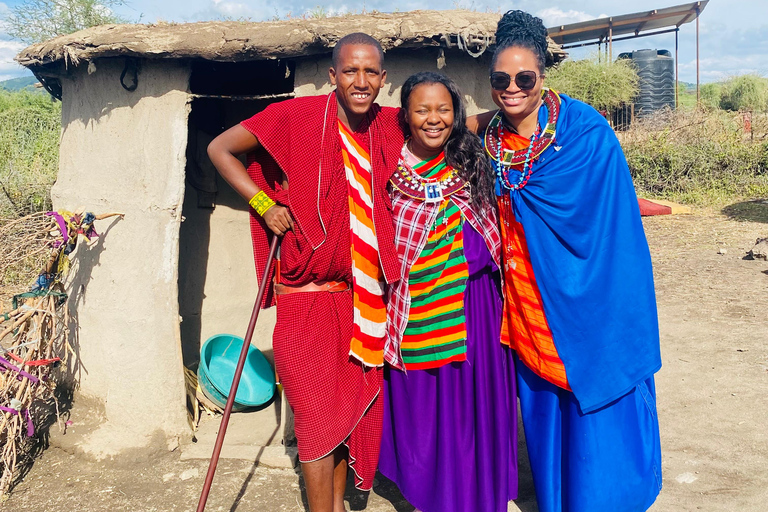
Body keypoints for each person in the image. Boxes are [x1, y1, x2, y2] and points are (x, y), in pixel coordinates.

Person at [466, 10, 663, 512]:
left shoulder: (585, 133)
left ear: (543, 79)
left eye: (524, 78)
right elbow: (448, 124)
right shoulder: (492, 138)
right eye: (500, 80)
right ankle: (558, 497)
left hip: (591, 292)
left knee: (596, 400)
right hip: (528, 299)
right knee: (548, 405)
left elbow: (610, 225)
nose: (512, 89)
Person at [207, 33, 404, 512]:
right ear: (333, 76)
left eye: (371, 72)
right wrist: (262, 202)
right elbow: (219, 148)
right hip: (304, 299)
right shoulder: (293, 118)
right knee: (316, 420)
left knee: (344, 416)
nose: (361, 81)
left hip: (363, 303)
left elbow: (448, 120)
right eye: (351, 71)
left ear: (384, 78)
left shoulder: (389, 126)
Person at [378, 72, 518, 512]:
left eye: (444, 109)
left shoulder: (472, 161)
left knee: (476, 409)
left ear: (457, 114)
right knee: (429, 414)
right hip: (417, 312)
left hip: (477, 307)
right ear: (405, 115)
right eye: (422, 109)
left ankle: (480, 495)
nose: (433, 119)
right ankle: (437, 496)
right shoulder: (388, 168)